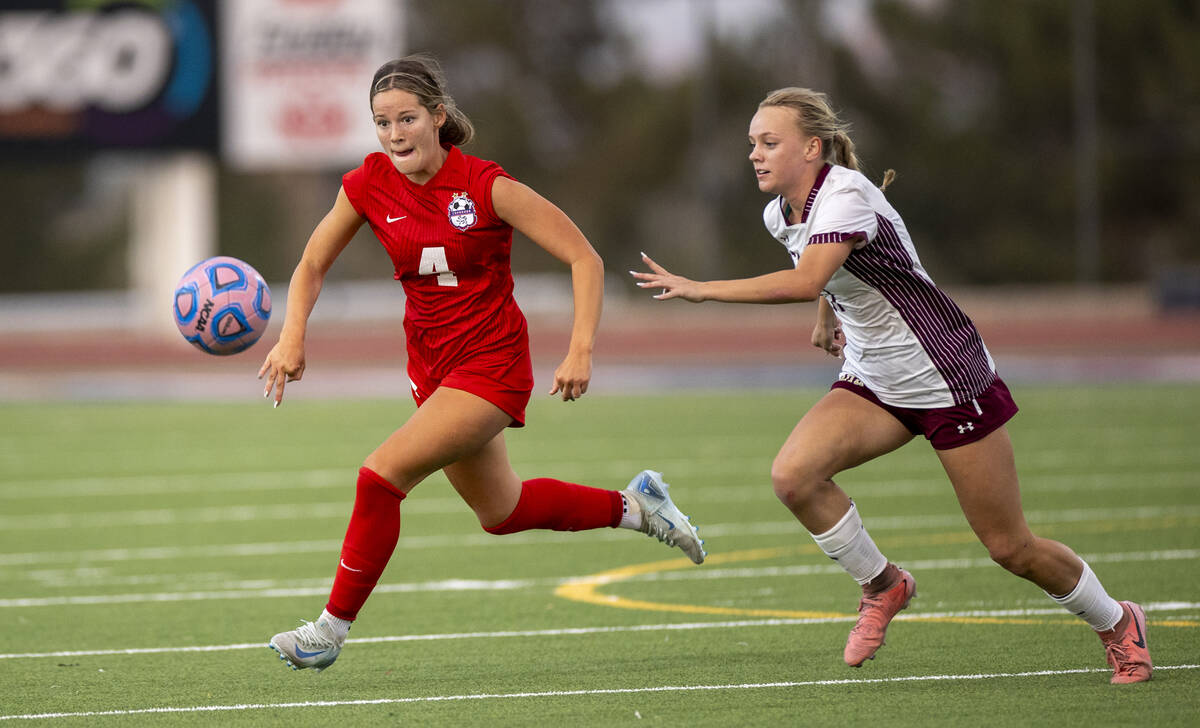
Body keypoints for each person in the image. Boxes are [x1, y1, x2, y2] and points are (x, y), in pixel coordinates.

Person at [630, 87, 1151, 684]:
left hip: (945, 375)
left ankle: (1118, 623)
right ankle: (883, 584)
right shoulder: (781, 212)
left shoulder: (846, 195)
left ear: (812, 148)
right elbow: (827, 276)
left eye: (769, 143)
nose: (755, 154)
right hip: (876, 378)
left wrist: (702, 288)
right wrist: (829, 318)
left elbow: (807, 279)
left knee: (1010, 548)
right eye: (752, 143)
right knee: (793, 476)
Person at [259, 54, 705, 673]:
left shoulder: (487, 186)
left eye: (408, 119)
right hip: (431, 367)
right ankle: (638, 506)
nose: (395, 135)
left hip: (492, 365)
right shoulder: (366, 184)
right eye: (382, 123)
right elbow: (310, 264)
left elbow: (585, 258)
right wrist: (292, 336)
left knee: (379, 476)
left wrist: (580, 348)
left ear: (438, 117)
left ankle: (329, 632)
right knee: (502, 511)